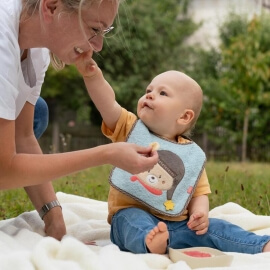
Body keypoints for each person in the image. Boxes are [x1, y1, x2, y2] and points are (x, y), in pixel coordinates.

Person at [75, 57, 270, 254]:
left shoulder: (191, 155)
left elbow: (198, 192)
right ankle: (149, 243)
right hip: (133, 215)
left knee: (218, 227)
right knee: (131, 222)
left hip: (179, 226)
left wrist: (199, 214)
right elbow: (107, 104)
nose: (150, 95)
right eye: (148, 90)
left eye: (163, 93)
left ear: (184, 116)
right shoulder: (130, 128)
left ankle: (260, 245)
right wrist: (93, 76)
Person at [0, 0, 158, 241]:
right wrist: (105, 154)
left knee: (36, 112)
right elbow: (3, 170)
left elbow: (23, 137)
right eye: (94, 29)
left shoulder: (37, 50)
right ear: (52, 7)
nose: (98, 45)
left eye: (104, 32)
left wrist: (54, 217)